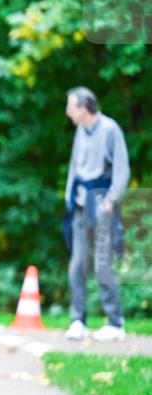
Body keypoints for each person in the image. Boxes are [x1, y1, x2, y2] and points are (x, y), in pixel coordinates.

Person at [62, 87, 130, 342]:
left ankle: (115, 322)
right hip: (80, 203)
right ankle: (78, 320)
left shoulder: (110, 129)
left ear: (84, 108)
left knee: (103, 263)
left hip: (102, 202)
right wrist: (69, 196)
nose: (68, 112)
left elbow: (122, 170)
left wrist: (111, 201)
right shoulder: (80, 131)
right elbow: (74, 167)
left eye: (71, 106)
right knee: (77, 264)